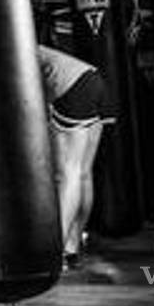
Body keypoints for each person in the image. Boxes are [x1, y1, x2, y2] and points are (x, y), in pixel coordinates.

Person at [37, 43, 118, 272]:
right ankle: (71, 248)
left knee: (67, 174)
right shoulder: (31, 46)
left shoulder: (10, 47)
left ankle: (55, 251)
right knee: (82, 173)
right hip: (95, 81)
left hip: (72, 88)